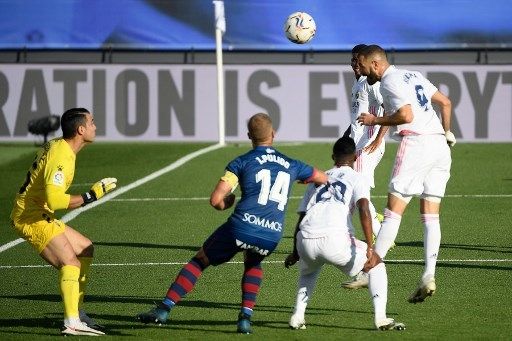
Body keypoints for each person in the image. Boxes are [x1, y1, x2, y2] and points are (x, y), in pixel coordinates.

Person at [136, 112, 328, 334]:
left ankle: (163, 309)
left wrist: (229, 201)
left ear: (249, 136)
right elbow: (322, 177)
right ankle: (245, 319)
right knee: (253, 264)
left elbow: (216, 200)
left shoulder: (242, 162)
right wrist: (306, 178)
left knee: (199, 262)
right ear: (273, 134)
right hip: (272, 234)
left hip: (242, 226)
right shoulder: (292, 163)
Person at [356, 45, 455, 303]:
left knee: (393, 212)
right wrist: (447, 132)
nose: (363, 72)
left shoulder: (389, 82)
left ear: (376, 64)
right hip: (439, 146)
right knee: (430, 216)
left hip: (416, 145)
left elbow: (405, 115)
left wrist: (374, 121)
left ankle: (371, 270)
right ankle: (428, 275)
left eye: (364, 66)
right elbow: (445, 102)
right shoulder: (414, 75)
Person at [10, 108, 118, 336]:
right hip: (30, 216)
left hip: (39, 212)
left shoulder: (61, 146)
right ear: (81, 129)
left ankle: (77, 312)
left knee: (85, 248)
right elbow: (56, 199)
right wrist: (92, 195)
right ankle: (71, 322)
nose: (95, 126)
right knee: (71, 263)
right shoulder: (62, 155)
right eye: (92, 122)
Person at [284, 136, 405, 331]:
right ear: (356, 157)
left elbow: (302, 216)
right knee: (377, 265)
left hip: (306, 238)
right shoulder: (357, 178)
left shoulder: (317, 178)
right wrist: (370, 247)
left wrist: (295, 252)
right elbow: (364, 209)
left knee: (308, 273)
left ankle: (297, 316)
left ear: (333, 156)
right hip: (334, 239)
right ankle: (381, 319)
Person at [341, 44, 391, 290]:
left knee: (356, 191)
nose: (354, 65)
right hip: (357, 144)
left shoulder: (372, 84)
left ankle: (380, 234)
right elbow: (355, 119)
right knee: (354, 189)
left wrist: (379, 139)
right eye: (352, 61)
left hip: (367, 146)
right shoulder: (358, 83)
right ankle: (376, 225)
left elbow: (388, 110)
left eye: (357, 61)